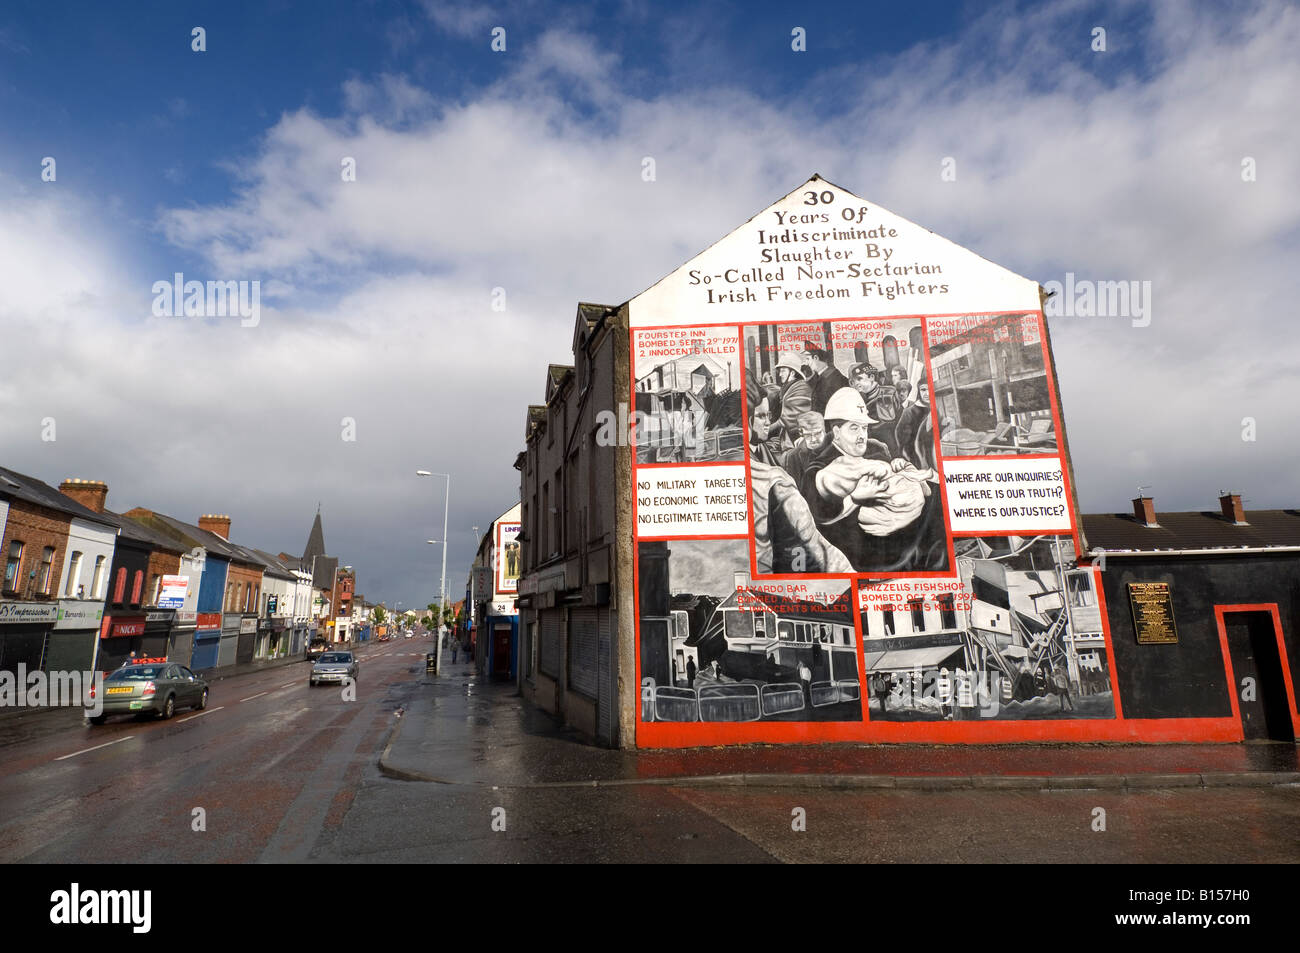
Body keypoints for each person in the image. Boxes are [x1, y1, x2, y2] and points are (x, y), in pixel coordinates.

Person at [796, 387, 946, 573]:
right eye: (854, 427)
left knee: (937, 495)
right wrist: (854, 499)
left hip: (902, 538)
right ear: (836, 431)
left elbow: (896, 481)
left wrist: (901, 468)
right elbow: (814, 527)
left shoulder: (876, 449)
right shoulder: (817, 470)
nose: (862, 435)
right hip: (864, 555)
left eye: (864, 428)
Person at [894, 378, 936, 469]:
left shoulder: (936, 408)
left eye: (930, 389)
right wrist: (909, 457)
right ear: (919, 391)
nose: (927, 394)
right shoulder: (909, 412)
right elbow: (900, 435)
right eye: (923, 390)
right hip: (918, 460)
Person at [801, 341, 849, 415]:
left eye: (808, 359)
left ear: (816, 358)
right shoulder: (817, 377)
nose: (806, 363)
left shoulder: (835, 378)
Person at [781, 410, 827, 483]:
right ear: (801, 434)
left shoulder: (837, 449)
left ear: (824, 431)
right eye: (808, 435)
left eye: (817, 433)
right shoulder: (792, 456)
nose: (813, 439)